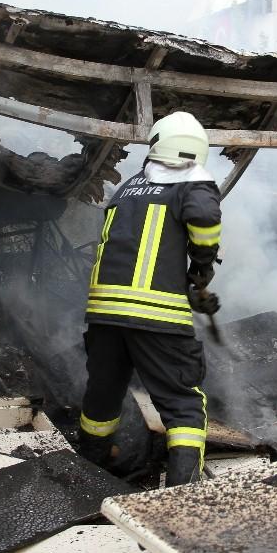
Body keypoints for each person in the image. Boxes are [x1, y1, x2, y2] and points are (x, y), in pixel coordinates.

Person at [78, 111, 222, 486]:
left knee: (102, 400)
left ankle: (89, 474)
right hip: (156, 315)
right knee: (184, 404)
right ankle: (179, 497)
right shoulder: (190, 179)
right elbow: (204, 219)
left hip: (105, 315)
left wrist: (190, 278)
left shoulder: (130, 187)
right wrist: (202, 267)